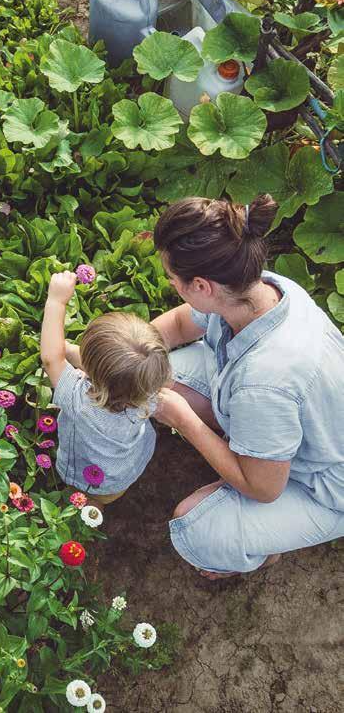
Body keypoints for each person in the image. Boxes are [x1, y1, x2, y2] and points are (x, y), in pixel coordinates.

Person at [151, 194, 344, 579]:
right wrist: (127, 350)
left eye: (174, 280)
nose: (172, 285)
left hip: (326, 486)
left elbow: (263, 488)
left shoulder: (266, 382)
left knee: (197, 529)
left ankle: (262, 551)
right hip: (293, 415)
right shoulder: (261, 288)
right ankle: (250, 447)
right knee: (154, 371)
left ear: (202, 286)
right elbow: (179, 325)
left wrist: (186, 421)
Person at [40, 271, 171, 505]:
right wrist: (70, 352)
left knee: (86, 500)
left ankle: (84, 515)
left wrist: (56, 301)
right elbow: (114, 375)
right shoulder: (149, 390)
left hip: (90, 477)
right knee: (105, 497)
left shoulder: (80, 402)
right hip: (126, 469)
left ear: (90, 371)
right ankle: (101, 505)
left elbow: (51, 358)